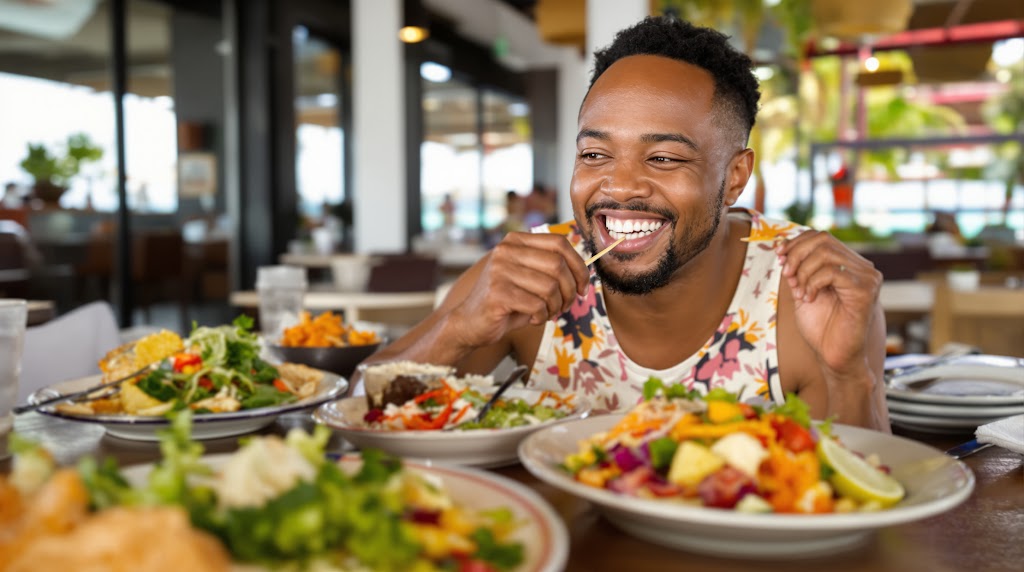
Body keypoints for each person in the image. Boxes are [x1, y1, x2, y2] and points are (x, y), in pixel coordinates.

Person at [362, 16, 888, 430]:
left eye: (662, 158)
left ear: (733, 177)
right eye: (594, 155)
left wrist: (849, 377)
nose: (619, 186)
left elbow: (873, 502)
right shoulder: (527, 274)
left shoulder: (806, 290)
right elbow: (357, 413)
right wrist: (458, 328)